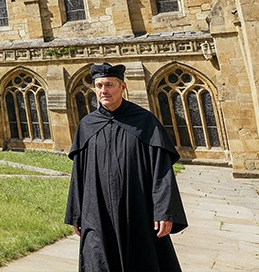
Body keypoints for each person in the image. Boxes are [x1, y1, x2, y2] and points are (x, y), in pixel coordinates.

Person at [65, 63, 188, 272]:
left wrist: (164, 211)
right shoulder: (87, 125)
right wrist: (76, 213)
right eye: (99, 86)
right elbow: (79, 173)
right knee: (98, 260)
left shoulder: (145, 122)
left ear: (122, 87)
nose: (104, 90)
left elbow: (161, 171)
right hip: (97, 213)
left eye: (109, 85)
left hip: (138, 211)